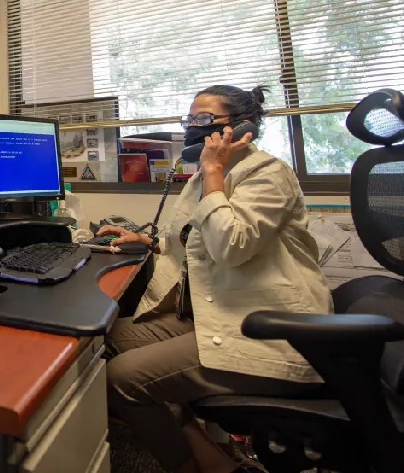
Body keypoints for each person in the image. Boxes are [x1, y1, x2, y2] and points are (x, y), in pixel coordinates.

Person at [99, 85, 332, 473]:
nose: (192, 128)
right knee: (102, 342)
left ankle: (193, 466)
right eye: (188, 120)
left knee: (120, 378)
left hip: (263, 328)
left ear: (241, 128)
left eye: (203, 120)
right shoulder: (206, 178)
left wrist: (211, 172)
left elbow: (231, 246)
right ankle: (216, 457)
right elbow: (192, 242)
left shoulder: (266, 174)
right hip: (213, 314)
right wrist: (148, 241)